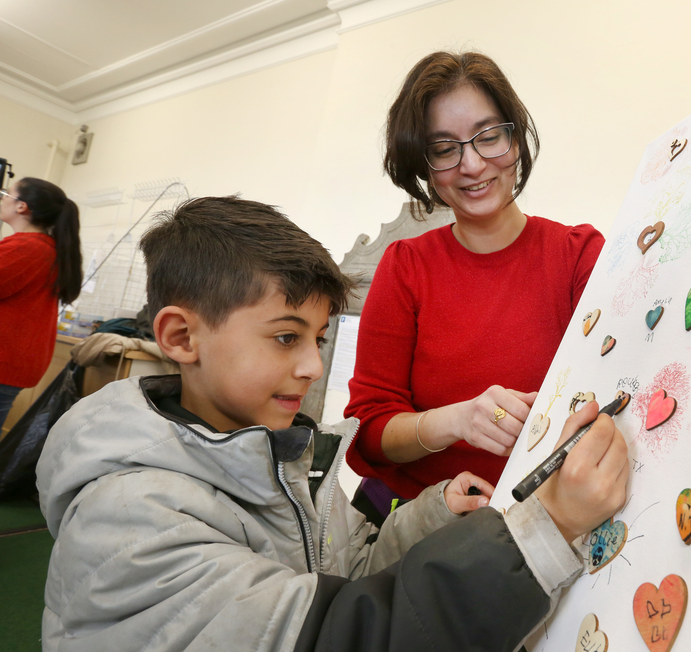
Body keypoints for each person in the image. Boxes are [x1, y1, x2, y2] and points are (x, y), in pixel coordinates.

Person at [36, 196, 629, 651]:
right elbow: (343, 634)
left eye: (318, 339)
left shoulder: (284, 458)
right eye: (285, 337)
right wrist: (547, 527)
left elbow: (345, 573)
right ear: (181, 337)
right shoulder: (131, 522)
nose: (314, 367)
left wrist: (433, 514)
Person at [345, 52, 605, 521]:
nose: (471, 164)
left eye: (488, 137)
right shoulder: (405, 266)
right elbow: (368, 430)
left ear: (515, 138)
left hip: (548, 522)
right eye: (445, 149)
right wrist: (458, 420)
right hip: (421, 524)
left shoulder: (579, 254)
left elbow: (618, 386)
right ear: (424, 165)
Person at [0, 178, 82, 427]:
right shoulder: (46, 248)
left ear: (21, 206)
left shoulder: (26, 248)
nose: (1, 199)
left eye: (6, 194)